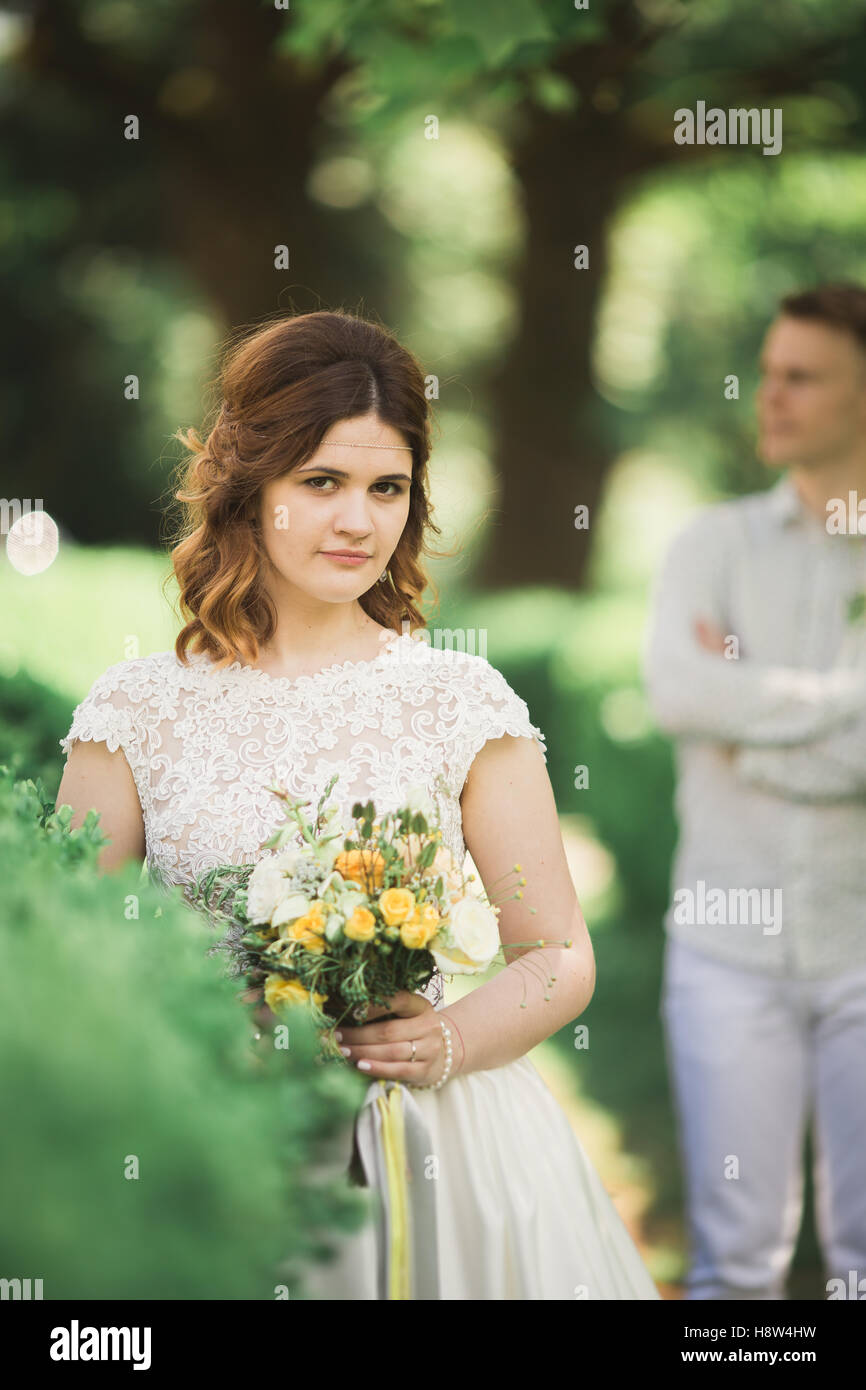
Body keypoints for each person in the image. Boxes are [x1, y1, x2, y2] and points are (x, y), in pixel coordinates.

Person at [57, 309, 660, 1301]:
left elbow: (555, 953)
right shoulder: (133, 710)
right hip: (216, 1140)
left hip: (436, 1148)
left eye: (387, 487)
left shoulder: (460, 701)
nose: (357, 521)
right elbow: (80, 954)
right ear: (249, 487)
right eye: (321, 482)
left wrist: (446, 1039)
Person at [644, 283, 866, 1300]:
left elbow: (721, 705)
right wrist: (838, 706)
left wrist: (752, 727)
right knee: (732, 1266)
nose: (766, 395)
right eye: (766, 372)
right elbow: (680, 690)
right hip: (726, 950)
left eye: (800, 376)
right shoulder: (707, 546)